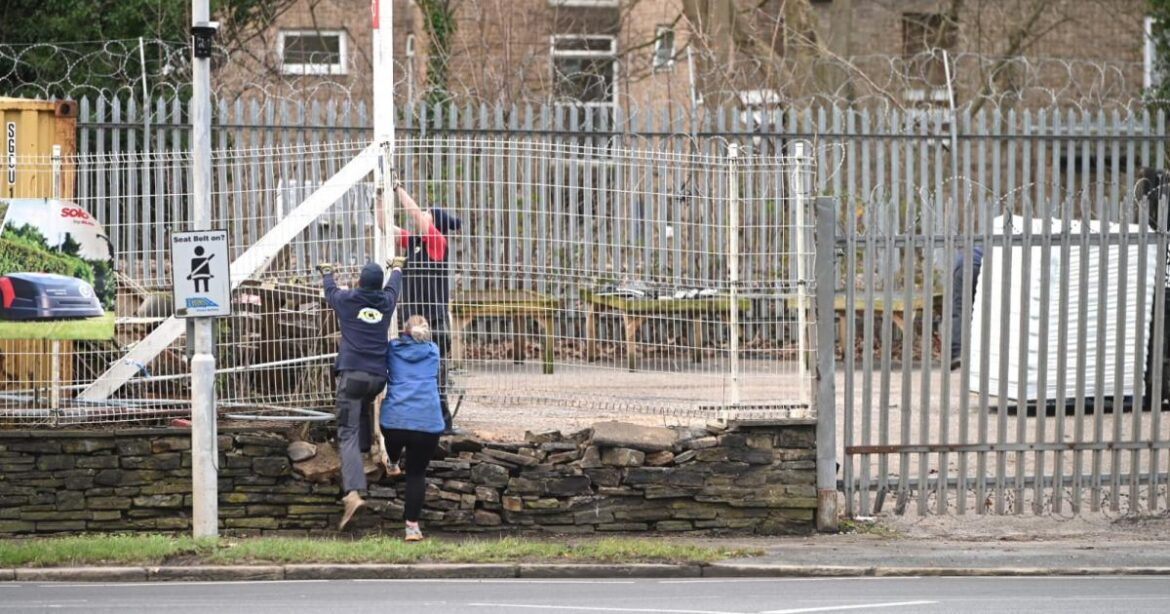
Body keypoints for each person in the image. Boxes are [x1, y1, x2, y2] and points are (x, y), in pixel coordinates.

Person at [320, 257, 405, 530]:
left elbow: (330, 291)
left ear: (359, 281)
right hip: (378, 377)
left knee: (347, 431)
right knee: (363, 405)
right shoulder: (386, 302)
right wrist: (398, 267)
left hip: (353, 374)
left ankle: (353, 493)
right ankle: (367, 449)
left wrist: (328, 272)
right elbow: (395, 286)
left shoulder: (347, 300)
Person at [381, 180, 463, 433]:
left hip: (434, 322)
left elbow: (416, 215)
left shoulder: (438, 242)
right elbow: (385, 226)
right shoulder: (416, 243)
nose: (423, 212)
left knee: (434, 376)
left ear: (434, 223)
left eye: (429, 212)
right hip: (411, 322)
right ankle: (416, 420)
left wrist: (398, 189)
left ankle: (444, 424)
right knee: (411, 373)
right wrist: (380, 194)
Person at [380, 314, 445, 542]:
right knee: (416, 474)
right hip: (427, 422)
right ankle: (412, 528)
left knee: (392, 438)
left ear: (404, 331)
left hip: (396, 419)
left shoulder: (392, 349)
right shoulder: (433, 350)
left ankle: (393, 462)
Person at [950, 246, 984, 370]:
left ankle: (957, 353)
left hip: (962, 268)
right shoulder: (996, 244)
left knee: (960, 311)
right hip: (981, 266)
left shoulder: (964, 253)